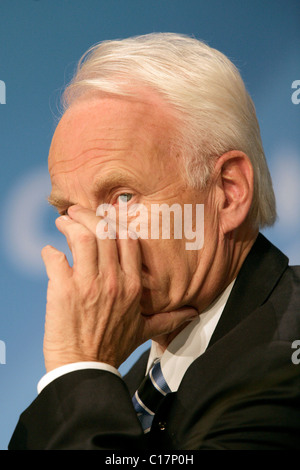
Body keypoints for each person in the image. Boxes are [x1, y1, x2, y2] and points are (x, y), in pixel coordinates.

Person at [9, 33, 300, 450]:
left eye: (122, 197)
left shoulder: (287, 361)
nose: (94, 236)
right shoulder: (118, 391)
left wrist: (78, 365)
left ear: (228, 190)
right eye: (70, 212)